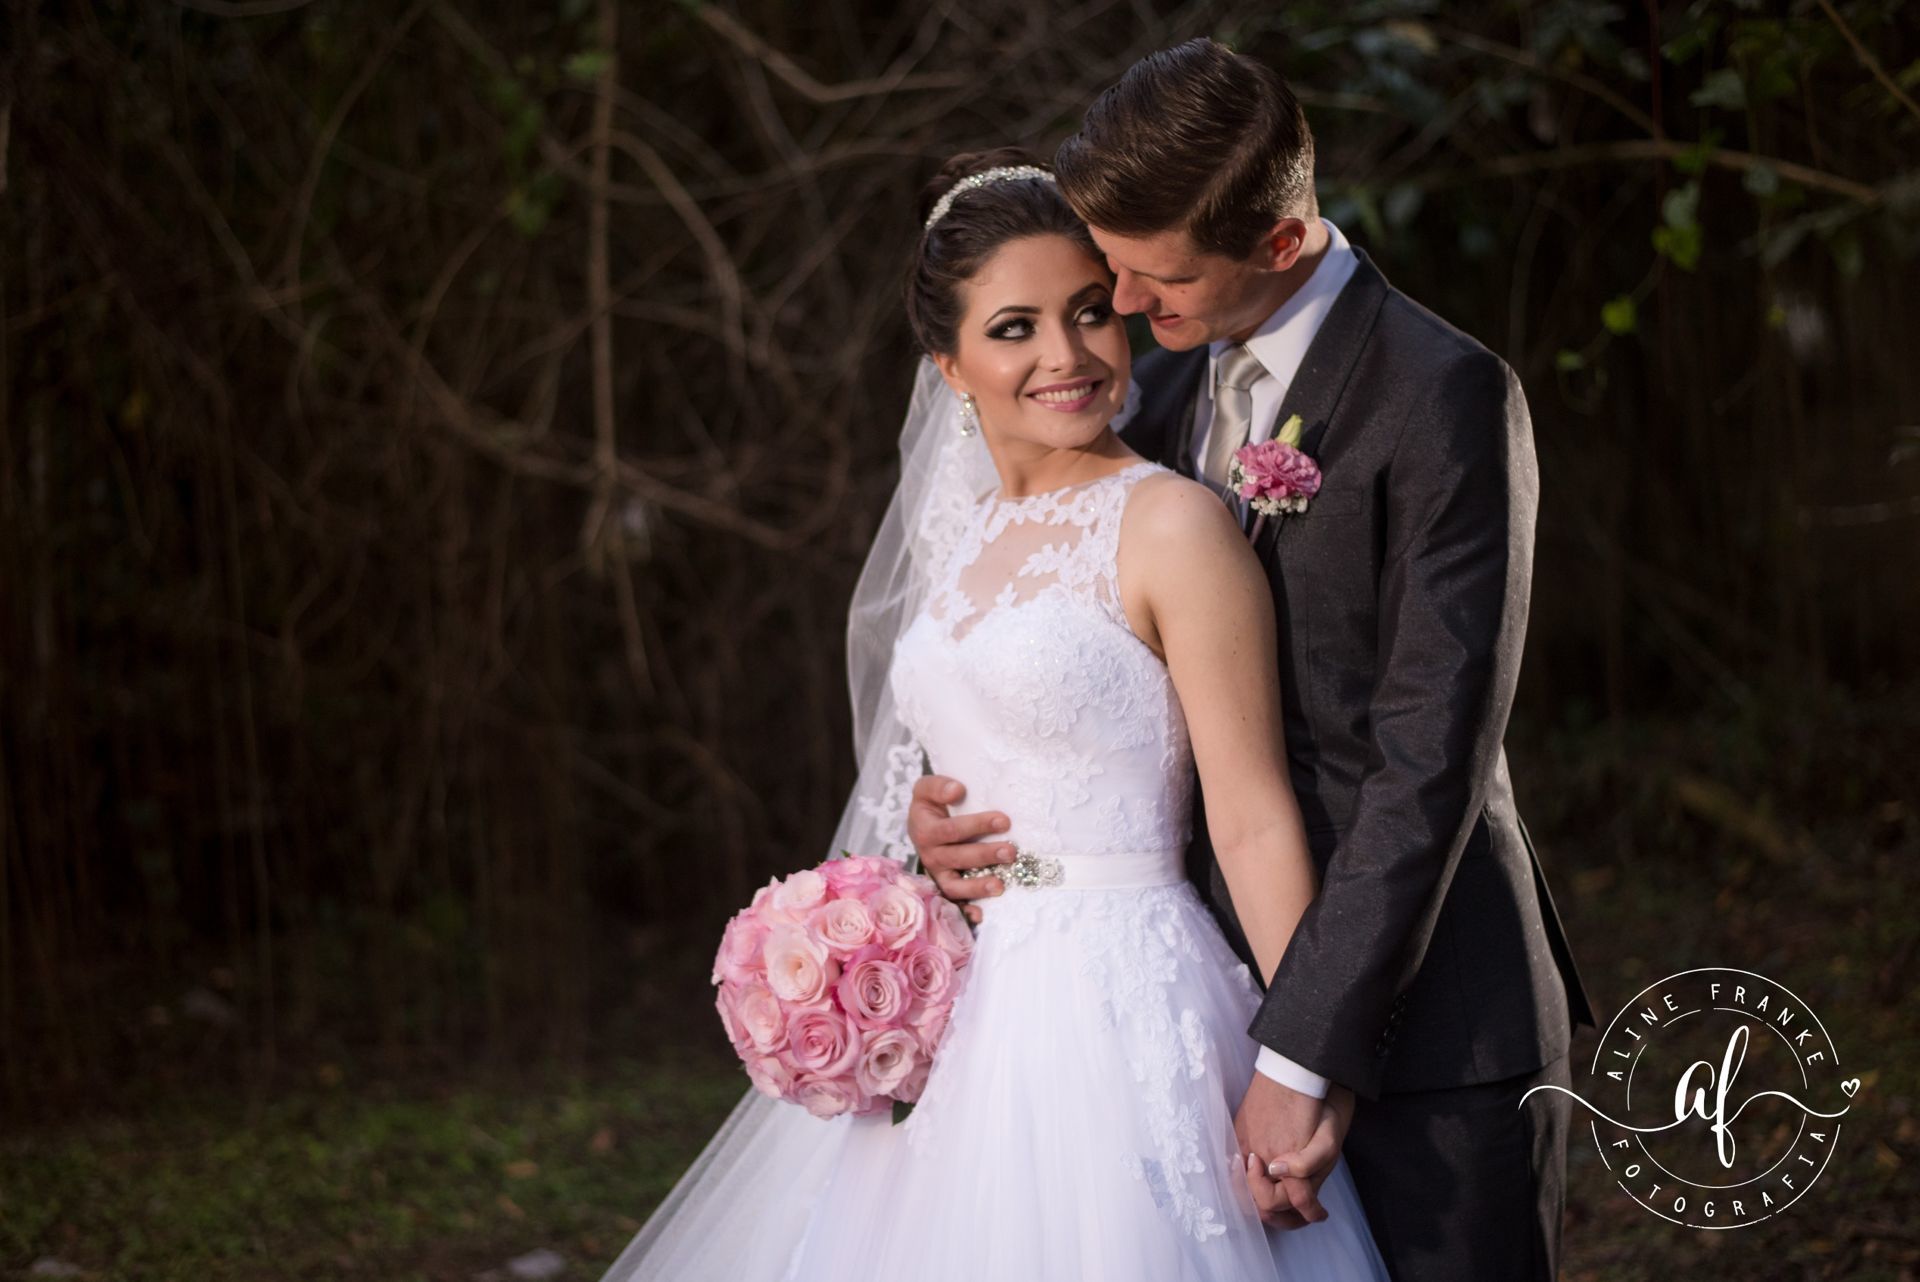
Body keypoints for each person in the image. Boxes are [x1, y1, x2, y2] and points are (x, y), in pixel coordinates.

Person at [598, 148, 1389, 1281]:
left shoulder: (1171, 523)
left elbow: (1253, 817)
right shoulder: (953, 540)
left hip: (1129, 1000)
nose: (1067, 354)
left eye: (1088, 312)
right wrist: (925, 847)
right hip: (974, 1013)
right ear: (949, 365)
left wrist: (1307, 1063)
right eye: (1015, 328)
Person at [910, 40, 1598, 1282]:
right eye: (1111, 269)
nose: (1120, 305)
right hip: (1195, 1017)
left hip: (1425, 1019)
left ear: (1278, 242)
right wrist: (960, 813)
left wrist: (1304, 1054)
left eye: (1153, 276)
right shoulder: (1159, 382)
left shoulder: (1440, 396)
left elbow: (1428, 761)